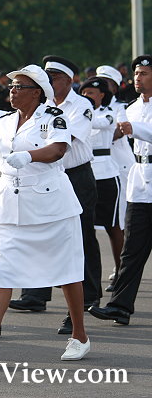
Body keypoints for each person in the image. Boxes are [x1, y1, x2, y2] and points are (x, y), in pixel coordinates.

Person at [0, 65, 90, 366]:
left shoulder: (53, 117)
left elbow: (58, 150)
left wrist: (29, 155)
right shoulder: (7, 120)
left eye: (19, 87)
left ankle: (79, 336)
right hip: (10, 205)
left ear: (37, 93)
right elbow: (0, 120)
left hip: (51, 206)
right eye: (11, 86)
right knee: (2, 269)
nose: (12, 91)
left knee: (67, 271)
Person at [9, 56, 101, 336]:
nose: (50, 82)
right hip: (43, 176)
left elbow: (62, 141)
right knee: (39, 233)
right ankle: (35, 294)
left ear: (69, 81)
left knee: (79, 238)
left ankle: (88, 296)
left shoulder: (82, 106)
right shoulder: (41, 107)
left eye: (56, 78)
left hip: (75, 175)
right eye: (47, 78)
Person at [89, 55, 152, 326]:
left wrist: (135, 128)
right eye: (136, 73)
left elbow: (138, 131)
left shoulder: (133, 117)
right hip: (139, 183)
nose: (138, 77)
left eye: (144, 73)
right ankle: (119, 307)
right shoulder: (132, 108)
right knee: (131, 250)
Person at [79, 77, 124, 301]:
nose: (86, 97)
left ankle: (121, 273)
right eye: (84, 93)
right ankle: (85, 278)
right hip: (86, 174)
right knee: (84, 228)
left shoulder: (108, 113)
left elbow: (98, 123)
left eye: (91, 93)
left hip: (106, 174)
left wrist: (80, 114)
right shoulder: (79, 113)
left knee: (112, 227)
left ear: (102, 96)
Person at [95, 65, 134, 291]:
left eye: (107, 82)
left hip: (120, 168)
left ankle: (122, 271)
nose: (102, 85)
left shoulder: (120, 108)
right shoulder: (87, 107)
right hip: (97, 169)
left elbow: (119, 131)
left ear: (115, 87)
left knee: (118, 222)